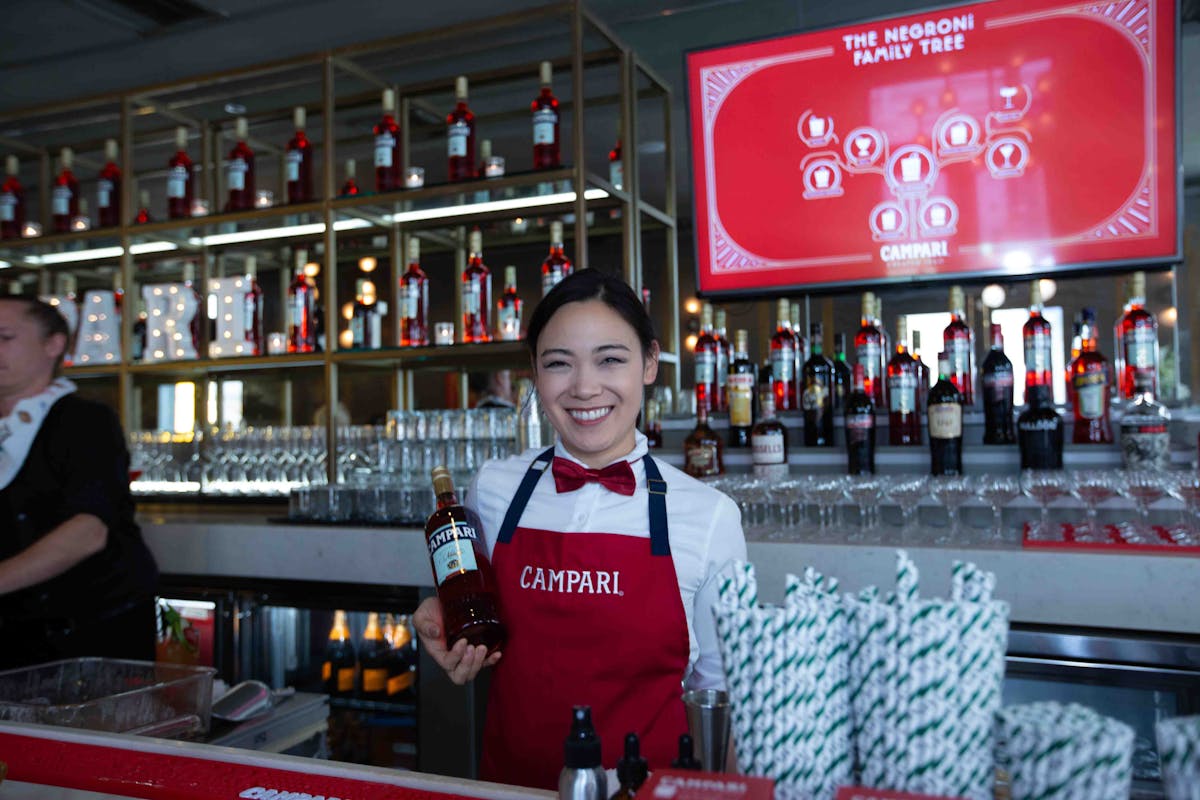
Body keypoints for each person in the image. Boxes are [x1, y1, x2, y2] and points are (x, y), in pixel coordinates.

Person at [414, 270, 747, 789]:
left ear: (651, 364)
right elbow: (466, 601)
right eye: (558, 364)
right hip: (510, 788)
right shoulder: (494, 490)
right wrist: (443, 624)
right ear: (534, 373)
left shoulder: (708, 516)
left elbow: (723, 699)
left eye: (610, 359)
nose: (585, 387)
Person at [0, 296, 159, 670]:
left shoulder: (86, 421)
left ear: (53, 344)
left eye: (5, 337)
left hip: (89, 639)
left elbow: (88, 531)